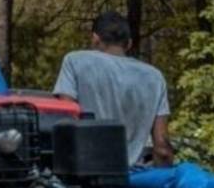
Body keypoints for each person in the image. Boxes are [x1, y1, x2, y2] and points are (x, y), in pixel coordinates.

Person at [52, 11, 174, 167]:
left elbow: (66, 120)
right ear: (129, 43)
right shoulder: (155, 77)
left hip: (88, 173)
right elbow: (162, 148)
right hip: (133, 179)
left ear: (96, 39)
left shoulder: (75, 61)